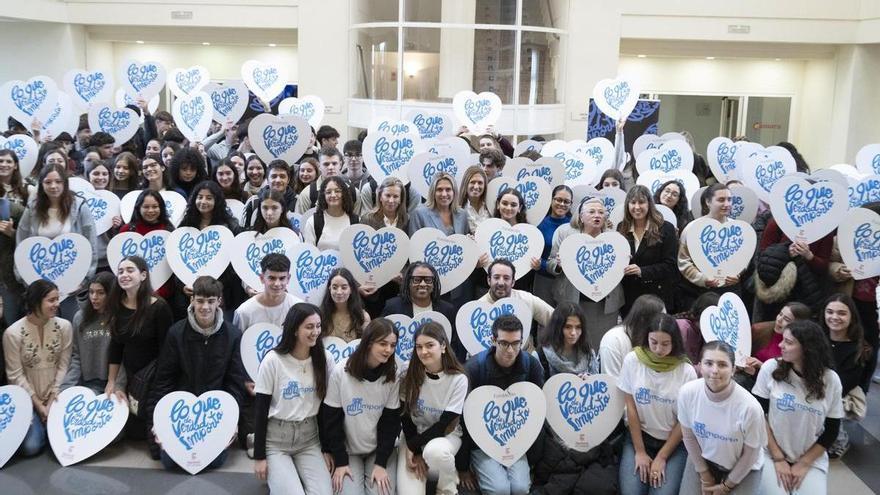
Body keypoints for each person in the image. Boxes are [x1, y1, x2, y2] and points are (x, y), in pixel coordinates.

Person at [147, 276, 247, 471]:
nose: (205, 307)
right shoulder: (176, 333)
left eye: (211, 301)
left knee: (215, 461)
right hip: (181, 413)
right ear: (192, 300)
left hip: (214, 414)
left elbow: (235, 385)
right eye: (200, 300)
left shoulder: (233, 335)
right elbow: (163, 382)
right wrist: (156, 426)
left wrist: (230, 422)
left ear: (219, 301)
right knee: (168, 461)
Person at [752, 320, 843, 495]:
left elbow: (832, 430)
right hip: (771, 453)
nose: (781, 345)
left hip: (810, 458)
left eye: (788, 342)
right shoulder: (771, 367)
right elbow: (758, 416)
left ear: (807, 349)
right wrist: (778, 458)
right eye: (782, 340)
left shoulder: (831, 380)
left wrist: (804, 463)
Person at [457, 315, 544, 495]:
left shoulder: (531, 365)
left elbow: (538, 412)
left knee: (520, 488)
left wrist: (534, 459)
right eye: (504, 343)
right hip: (481, 443)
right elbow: (464, 420)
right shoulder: (473, 368)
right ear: (493, 340)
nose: (510, 350)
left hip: (516, 439)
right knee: (500, 489)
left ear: (522, 342)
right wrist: (463, 466)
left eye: (516, 343)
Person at [252, 302, 333, 495]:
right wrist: (259, 457)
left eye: (318, 326)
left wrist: (326, 448)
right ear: (294, 329)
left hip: (309, 439)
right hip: (276, 441)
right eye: (309, 326)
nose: (315, 332)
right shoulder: (273, 360)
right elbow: (261, 410)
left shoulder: (325, 359)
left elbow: (325, 408)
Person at [320, 318, 401, 495]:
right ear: (369, 342)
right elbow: (331, 421)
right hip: (348, 451)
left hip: (379, 450)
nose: (388, 350)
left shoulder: (392, 374)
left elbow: (390, 423)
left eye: (393, 345)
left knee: (381, 492)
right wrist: (340, 462)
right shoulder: (341, 372)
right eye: (383, 343)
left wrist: (381, 463)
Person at [618, 313, 695, 495]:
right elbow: (631, 408)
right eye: (654, 342)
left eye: (665, 344)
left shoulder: (686, 371)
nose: (658, 349)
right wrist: (640, 452)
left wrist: (662, 457)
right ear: (646, 338)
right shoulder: (633, 360)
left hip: (673, 444)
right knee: (631, 491)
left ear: (675, 342)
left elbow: (684, 421)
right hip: (639, 437)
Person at [105, 256, 174, 458]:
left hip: (156, 377)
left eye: (130, 270)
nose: (124, 275)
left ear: (143, 275)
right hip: (132, 376)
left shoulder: (159, 307)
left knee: (155, 450)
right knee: (134, 434)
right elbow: (116, 346)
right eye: (121, 271)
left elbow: (167, 352)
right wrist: (111, 382)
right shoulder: (116, 305)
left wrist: (158, 385)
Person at [677, 341, 766, 494]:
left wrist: (727, 486)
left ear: (733, 370)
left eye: (722, 365)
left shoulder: (750, 408)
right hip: (703, 459)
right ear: (700, 365)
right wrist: (704, 475)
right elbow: (689, 437)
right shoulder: (687, 392)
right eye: (709, 363)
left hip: (743, 468)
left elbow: (751, 454)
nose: (714, 370)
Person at [16, 163, 98, 320]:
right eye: (48, 182)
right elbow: (22, 240)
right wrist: (23, 276)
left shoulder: (79, 206)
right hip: (39, 283)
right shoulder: (33, 208)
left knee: (69, 327)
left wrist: (84, 278)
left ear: (65, 183)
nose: (53, 186)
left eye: (58, 181)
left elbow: (90, 242)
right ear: (41, 184)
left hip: (72, 284)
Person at [397, 322, 468, 495]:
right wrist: (413, 447)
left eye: (430, 345)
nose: (423, 352)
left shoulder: (458, 379)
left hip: (445, 437)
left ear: (443, 346)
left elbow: (445, 425)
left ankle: (447, 488)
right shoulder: (408, 371)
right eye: (419, 347)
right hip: (412, 435)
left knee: (435, 451)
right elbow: (405, 415)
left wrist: (413, 447)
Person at [3, 279, 72, 457]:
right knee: (30, 447)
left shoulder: (64, 327)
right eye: (51, 300)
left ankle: (49, 426)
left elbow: (64, 365)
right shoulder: (13, 333)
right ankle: (45, 426)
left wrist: (52, 399)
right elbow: (15, 375)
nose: (56, 304)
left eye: (57, 299)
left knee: (66, 442)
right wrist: (39, 406)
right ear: (35, 302)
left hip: (57, 398)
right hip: (28, 401)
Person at [548, 197, 624, 348]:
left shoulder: (614, 237)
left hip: (605, 305)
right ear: (581, 216)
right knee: (572, 344)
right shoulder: (565, 233)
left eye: (601, 212)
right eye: (592, 212)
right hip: (572, 300)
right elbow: (550, 263)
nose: (597, 215)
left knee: (600, 346)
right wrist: (558, 265)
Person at [678, 183, 743, 310]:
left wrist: (738, 274)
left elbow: (744, 259)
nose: (727, 204)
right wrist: (702, 279)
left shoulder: (738, 228)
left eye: (729, 199)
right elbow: (683, 261)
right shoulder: (692, 229)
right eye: (721, 200)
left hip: (731, 291)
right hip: (699, 293)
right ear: (708, 202)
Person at [818, 293, 868, 458]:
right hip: (816, 387)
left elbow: (843, 385)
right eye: (830, 311)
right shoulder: (817, 338)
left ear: (851, 317)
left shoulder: (859, 349)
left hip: (841, 396)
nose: (834, 317)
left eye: (841, 313)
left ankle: (840, 440)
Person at [381, 262, 463, 362]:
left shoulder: (447, 309)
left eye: (428, 280)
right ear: (408, 282)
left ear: (434, 283)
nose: (423, 284)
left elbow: (453, 345)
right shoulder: (392, 307)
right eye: (417, 280)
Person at [618, 185, 679, 317]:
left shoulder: (666, 228)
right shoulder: (621, 228)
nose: (637, 207)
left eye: (641, 202)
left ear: (649, 204)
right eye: (633, 202)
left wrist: (642, 271)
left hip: (656, 297)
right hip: (629, 300)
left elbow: (671, 266)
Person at [60, 272, 124, 394]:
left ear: (111, 294)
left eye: (101, 293)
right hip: (88, 383)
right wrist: (65, 388)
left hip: (115, 383)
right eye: (91, 292)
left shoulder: (120, 318)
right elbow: (76, 356)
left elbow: (125, 359)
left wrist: (119, 385)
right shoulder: (80, 318)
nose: (94, 297)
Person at [736, 302, 811, 389]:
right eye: (780, 314)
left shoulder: (799, 347)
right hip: (749, 378)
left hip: (776, 388)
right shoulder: (759, 329)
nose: (779, 319)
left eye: (786, 319)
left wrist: (762, 366)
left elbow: (790, 380)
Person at [118, 189, 175, 299]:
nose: (150, 210)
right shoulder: (127, 230)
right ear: (138, 208)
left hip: (166, 294)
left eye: (155, 206)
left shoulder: (169, 231)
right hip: (134, 294)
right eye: (146, 207)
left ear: (161, 208)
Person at [600, 294, 666, 377]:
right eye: (659, 319)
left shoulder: (656, 340)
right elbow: (611, 380)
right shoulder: (614, 339)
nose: (663, 324)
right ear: (643, 319)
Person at [479, 259, 553, 328]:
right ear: (489, 280)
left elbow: (557, 321)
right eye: (496, 277)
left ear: (513, 282)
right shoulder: (478, 308)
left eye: (506, 278)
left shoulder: (527, 299)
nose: (501, 283)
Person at [303, 176, 358, 251]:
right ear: (323, 196)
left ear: (344, 194)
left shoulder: (356, 221)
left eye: (337, 191)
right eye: (328, 192)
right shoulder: (313, 221)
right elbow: (308, 253)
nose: (333, 195)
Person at [408, 172, 469, 236]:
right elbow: (414, 243)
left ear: (454, 192)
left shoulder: (463, 214)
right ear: (433, 192)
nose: (444, 194)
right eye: (439, 189)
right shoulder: (419, 214)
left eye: (448, 189)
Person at [242, 160, 298, 229]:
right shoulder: (253, 202)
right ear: (267, 179)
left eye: (282, 176)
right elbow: (244, 233)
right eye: (274, 176)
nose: (278, 180)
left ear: (288, 180)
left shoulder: (297, 201)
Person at [320, 268, 371, 342]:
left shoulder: (363, 317)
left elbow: (366, 346)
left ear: (351, 289)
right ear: (329, 288)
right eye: (335, 287)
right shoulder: (320, 315)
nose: (339, 292)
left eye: (344, 287)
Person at [458, 165, 490, 233]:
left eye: (480, 183)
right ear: (466, 183)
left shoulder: (490, 207)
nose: (476, 187)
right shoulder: (457, 209)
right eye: (472, 182)